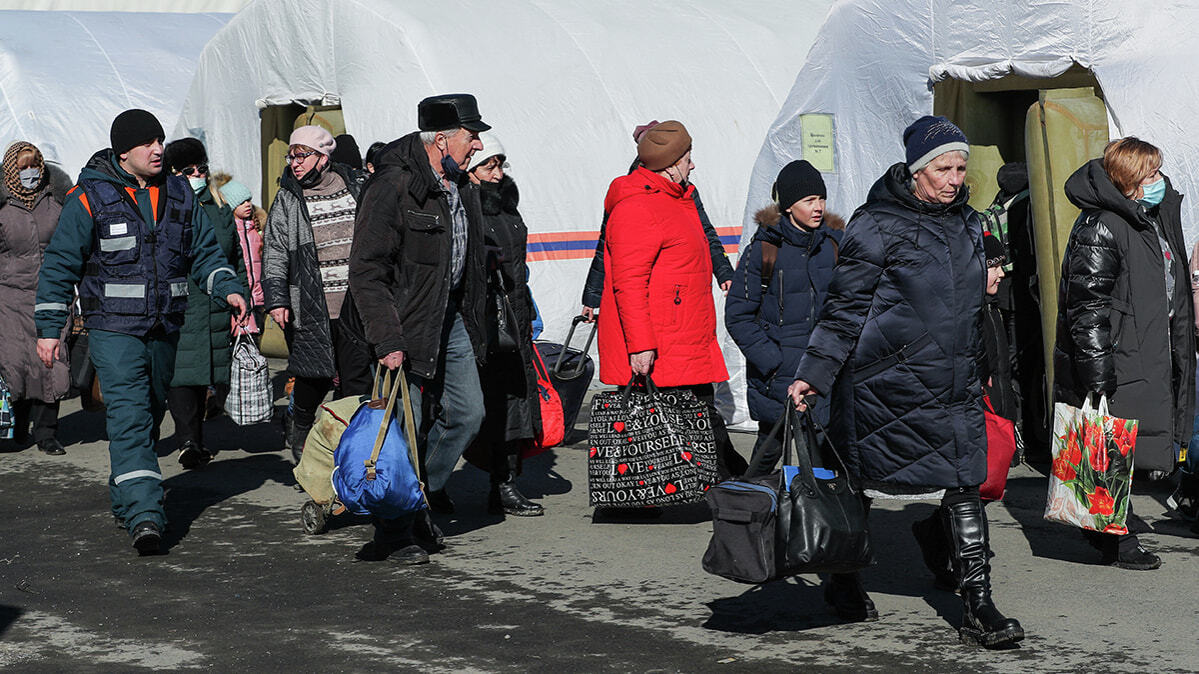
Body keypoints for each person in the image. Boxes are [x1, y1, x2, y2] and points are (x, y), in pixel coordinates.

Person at [788, 116, 1024, 647]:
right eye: (943, 168)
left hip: (956, 379)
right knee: (858, 483)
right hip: (884, 382)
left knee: (966, 482)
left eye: (961, 168)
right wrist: (814, 374)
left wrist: (985, 361)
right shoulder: (875, 223)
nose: (954, 178)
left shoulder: (967, 222)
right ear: (916, 171)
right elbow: (844, 308)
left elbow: (968, 307)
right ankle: (843, 578)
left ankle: (978, 602)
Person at [34, 109, 248, 555]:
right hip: (112, 330)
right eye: (147, 143)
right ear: (123, 151)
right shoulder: (88, 198)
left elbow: (205, 253)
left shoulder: (180, 195)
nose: (158, 149)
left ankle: (126, 495)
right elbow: (59, 266)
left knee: (148, 416)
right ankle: (146, 514)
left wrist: (227, 287)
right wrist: (49, 328)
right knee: (129, 416)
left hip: (165, 328)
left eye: (160, 140)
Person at [349, 93, 489, 563]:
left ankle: (418, 495)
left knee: (468, 414)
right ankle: (393, 532)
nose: (476, 146)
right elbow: (367, 269)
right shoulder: (394, 184)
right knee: (400, 430)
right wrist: (386, 338)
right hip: (404, 325)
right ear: (443, 139)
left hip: (450, 320)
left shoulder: (460, 186)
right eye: (472, 137)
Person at [1054, 137, 1196, 567]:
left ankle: (1103, 527)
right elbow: (1087, 305)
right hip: (1121, 351)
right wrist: (1097, 367)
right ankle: (1119, 537)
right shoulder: (1102, 224)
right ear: (1128, 181)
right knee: (1110, 445)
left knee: (1123, 445)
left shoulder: (1149, 218)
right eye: (1150, 175)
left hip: (1151, 345)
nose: (1159, 181)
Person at [597, 120, 748, 481]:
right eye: (688, 158)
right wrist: (640, 346)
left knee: (695, 413)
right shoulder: (637, 206)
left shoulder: (678, 199)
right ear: (670, 162)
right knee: (678, 418)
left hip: (684, 333)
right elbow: (628, 283)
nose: (692, 165)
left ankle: (725, 485)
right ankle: (733, 489)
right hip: (662, 340)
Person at [262, 125, 372, 461]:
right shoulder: (288, 197)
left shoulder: (357, 187)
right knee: (313, 376)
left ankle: (350, 456)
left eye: (301, 154)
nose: (294, 162)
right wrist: (278, 299)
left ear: (323, 157)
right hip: (311, 303)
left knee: (356, 385)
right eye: (291, 155)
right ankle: (301, 423)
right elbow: (275, 250)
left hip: (356, 305)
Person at [726, 160, 842, 476]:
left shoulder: (833, 247)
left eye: (821, 199)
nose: (818, 207)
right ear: (789, 206)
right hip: (777, 379)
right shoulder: (763, 250)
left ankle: (818, 523)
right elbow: (738, 317)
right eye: (809, 201)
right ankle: (747, 515)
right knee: (768, 453)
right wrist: (774, 362)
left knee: (824, 459)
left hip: (823, 375)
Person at [580, 120, 734, 321]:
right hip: (649, 299)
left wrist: (725, 272)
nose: (692, 166)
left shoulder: (686, 192)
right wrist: (592, 298)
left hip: (682, 300)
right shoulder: (627, 195)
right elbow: (606, 249)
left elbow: (706, 234)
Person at [467, 132, 544, 516]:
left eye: (499, 165)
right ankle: (436, 481)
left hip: (513, 316)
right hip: (481, 319)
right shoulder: (464, 207)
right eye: (488, 165)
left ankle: (505, 482)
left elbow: (519, 266)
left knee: (514, 399)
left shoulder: (507, 206)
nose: (497, 173)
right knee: (481, 404)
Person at [162, 138, 249, 469]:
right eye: (189, 170)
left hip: (215, 303)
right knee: (183, 375)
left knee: (205, 375)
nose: (198, 174)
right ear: (173, 173)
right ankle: (188, 441)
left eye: (202, 168)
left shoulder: (219, 207)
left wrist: (238, 291)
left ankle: (196, 435)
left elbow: (235, 256)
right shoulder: (166, 208)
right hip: (182, 304)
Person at [0, 141, 70, 455]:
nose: (29, 173)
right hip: (9, 297)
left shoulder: (57, 201)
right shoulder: (2, 207)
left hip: (51, 294)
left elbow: (71, 246)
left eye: (33, 166)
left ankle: (47, 433)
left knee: (51, 363)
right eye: (22, 167)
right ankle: (16, 428)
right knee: (15, 364)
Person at [218, 178, 266, 335]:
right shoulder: (228, 233)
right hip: (239, 299)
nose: (248, 204)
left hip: (259, 299)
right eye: (242, 202)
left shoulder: (257, 230)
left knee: (255, 343)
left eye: (249, 200)